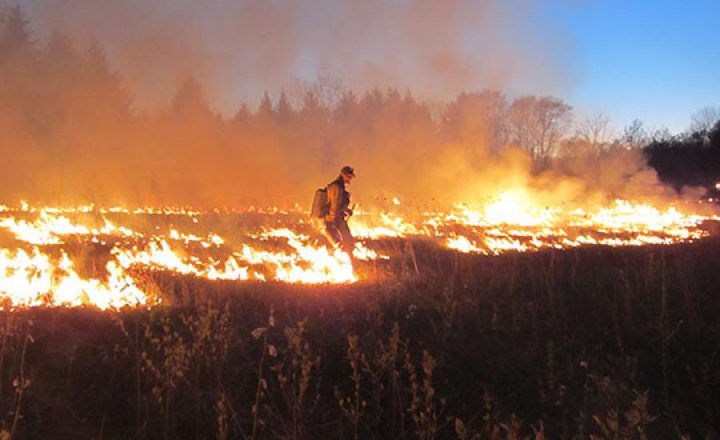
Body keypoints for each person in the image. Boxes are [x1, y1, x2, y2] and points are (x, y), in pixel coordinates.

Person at [324, 166, 355, 253]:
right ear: (343, 174)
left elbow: (339, 204)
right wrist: (334, 220)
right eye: (348, 176)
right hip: (333, 219)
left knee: (347, 242)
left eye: (351, 176)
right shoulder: (336, 187)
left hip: (337, 218)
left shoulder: (339, 186)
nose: (350, 178)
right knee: (342, 244)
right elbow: (334, 205)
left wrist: (346, 210)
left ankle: (349, 258)